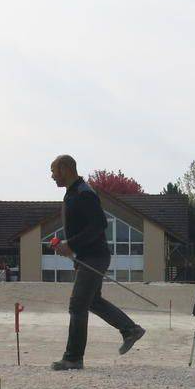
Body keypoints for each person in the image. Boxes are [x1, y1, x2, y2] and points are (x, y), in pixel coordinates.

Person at [48, 155, 146, 370]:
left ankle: (73, 358)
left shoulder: (84, 193)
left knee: (77, 305)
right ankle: (130, 330)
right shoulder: (73, 193)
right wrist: (69, 247)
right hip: (88, 256)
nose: (52, 175)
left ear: (65, 168)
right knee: (92, 301)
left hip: (95, 256)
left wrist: (71, 244)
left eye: (54, 170)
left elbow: (99, 225)